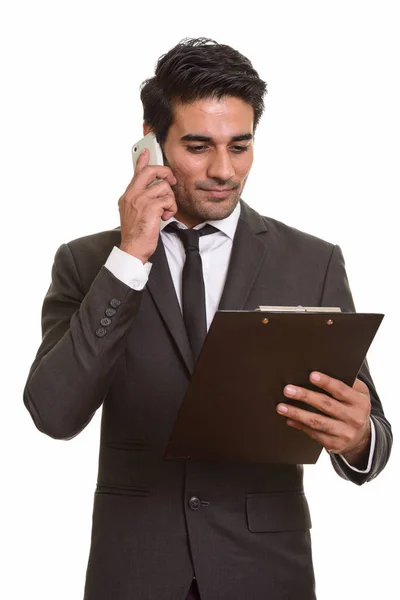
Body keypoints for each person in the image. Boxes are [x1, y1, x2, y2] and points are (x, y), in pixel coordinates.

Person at [24, 37, 392, 600]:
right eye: (198, 146)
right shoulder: (88, 263)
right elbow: (54, 413)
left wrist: (359, 436)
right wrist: (128, 259)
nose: (224, 170)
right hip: (136, 572)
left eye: (240, 146)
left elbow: (373, 428)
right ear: (150, 140)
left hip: (267, 573)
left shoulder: (313, 261)